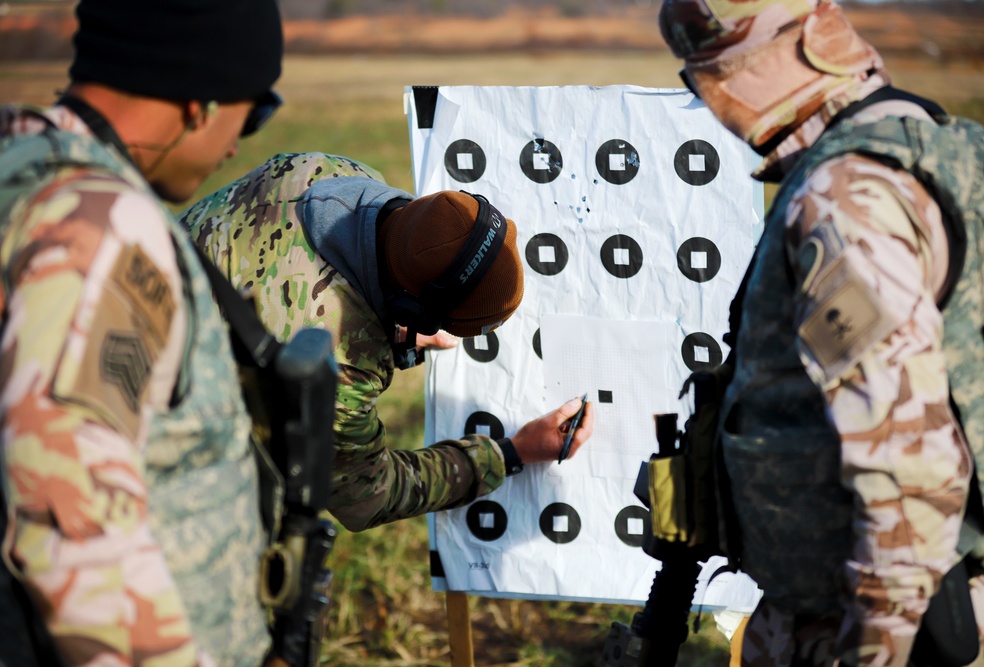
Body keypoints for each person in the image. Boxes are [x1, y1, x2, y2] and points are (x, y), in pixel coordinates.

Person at [657, 1, 984, 666]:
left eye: (706, 84)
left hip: (876, 619)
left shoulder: (845, 198)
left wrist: (875, 648)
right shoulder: (954, 147)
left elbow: (909, 465)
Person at [0, 0, 285, 665]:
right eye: (254, 110)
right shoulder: (102, 230)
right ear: (200, 101)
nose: (239, 143)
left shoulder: (13, 160)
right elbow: (72, 512)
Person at [180, 152, 595, 532]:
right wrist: (511, 452)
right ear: (415, 310)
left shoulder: (328, 170)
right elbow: (365, 496)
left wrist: (397, 333)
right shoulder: (339, 358)